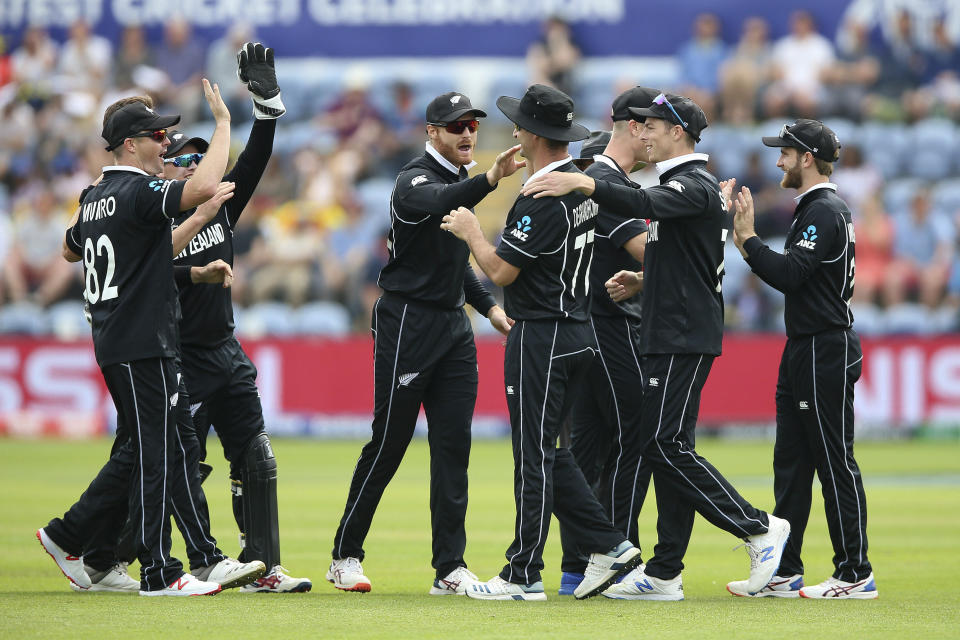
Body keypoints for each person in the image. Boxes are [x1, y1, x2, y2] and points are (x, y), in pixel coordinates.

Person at [520, 92, 790, 600]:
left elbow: (644, 205)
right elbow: (684, 253)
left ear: (678, 133)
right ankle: (665, 572)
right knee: (667, 448)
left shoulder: (691, 184)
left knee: (662, 445)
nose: (643, 132)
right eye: (640, 124)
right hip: (672, 331)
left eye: (653, 125)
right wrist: (646, 280)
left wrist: (583, 179)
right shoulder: (687, 185)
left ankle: (757, 528)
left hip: (681, 336)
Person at [37, 80, 262, 596]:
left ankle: (95, 546)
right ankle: (159, 570)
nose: (166, 144)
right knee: (157, 452)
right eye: (157, 136)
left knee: (155, 446)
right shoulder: (138, 189)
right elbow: (203, 187)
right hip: (142, 340)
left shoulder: (96, 197)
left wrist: (192, 251)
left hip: (118, 336)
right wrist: (225, 125)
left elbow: (75, 250)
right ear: (130, 145)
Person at [441, 84, 643, 602]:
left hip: (542, 335)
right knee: (554, 454)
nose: (512, 130)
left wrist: (470, 231)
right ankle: (610, 544)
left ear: (532, 133)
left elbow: (502, 271)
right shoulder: (578, 188)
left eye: (519, 122)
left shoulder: (541, 194)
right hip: (578, 331)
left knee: (533, 454)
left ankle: (523, 572)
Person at [327, 91, 520, 596]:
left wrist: (491, 309)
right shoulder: (414, 180)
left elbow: (456, 268)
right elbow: (439, 204)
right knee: (389, 441)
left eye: (473, 125)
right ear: (432, 132)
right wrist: (491, 180)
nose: (467, 134)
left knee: (453, 448)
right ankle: (345, 554)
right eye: (456, 126)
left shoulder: (457, 183)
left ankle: (449, 569)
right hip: (406, 321)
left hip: (453, 329)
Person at [159, 42, 310, 593]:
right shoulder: (151, 219)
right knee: (180, 466)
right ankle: (128, 555)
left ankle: (263, 567)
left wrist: (266, 102)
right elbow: (141, 280)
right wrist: (190, 275)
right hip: (178, 356)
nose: (199, 164)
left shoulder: (221, 205)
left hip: (226, 351)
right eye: (187, 158)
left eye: (203, 156)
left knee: (257, 457)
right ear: (170, 169)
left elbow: (255, 156)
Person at [725, 119, 877, 599]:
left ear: (807, 158)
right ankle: (786, 571)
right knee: (790, 461)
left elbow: (791, 275)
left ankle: (855, 572)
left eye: (786, 152)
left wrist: (747, 240)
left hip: (822, 346)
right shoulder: (817, 207)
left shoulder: (823, 210)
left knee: (833, 459)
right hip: (805, 345)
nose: (778, 160)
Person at [557, 87, 656, 597]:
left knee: (588, 447)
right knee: (634, 435)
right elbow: (648, 252)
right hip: (605, 322)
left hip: (583, 321)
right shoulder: (605, 186)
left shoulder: (597, 184)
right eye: (652, 127)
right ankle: (617, 553)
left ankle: (577, 564)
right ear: (634, 128)